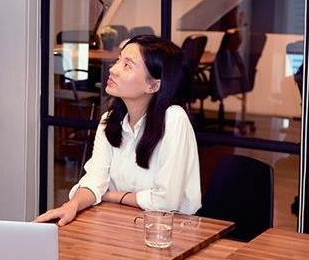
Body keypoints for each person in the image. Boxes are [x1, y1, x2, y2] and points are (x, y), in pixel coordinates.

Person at [35, 35, 201, 226]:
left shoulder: (173, 118)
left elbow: (165, 202)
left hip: (172, 231)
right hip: (121, 223)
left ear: (153, 85)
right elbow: (95, 178)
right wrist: (73, 205)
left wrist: (110, 195)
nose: (113, 69)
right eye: (118, 60)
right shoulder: (109, 119)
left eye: (127, 65)